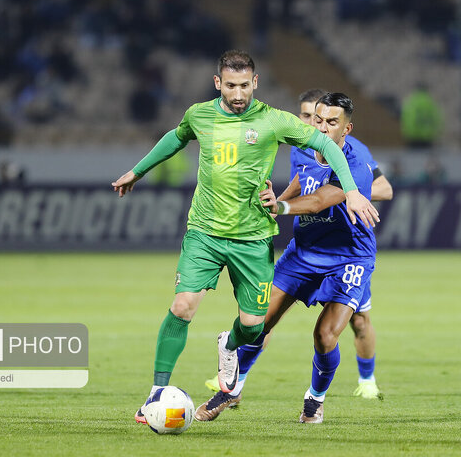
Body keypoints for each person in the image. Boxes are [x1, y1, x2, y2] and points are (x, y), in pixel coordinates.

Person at [111, 50, 380, 424]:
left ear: (255, 83)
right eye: (230, 86)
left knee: (255, 328)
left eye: (244, 86)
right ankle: (156, 392)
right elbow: (175, 139)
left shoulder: (274, 121)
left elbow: (326, 152)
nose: (238, 94)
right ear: (218, 83)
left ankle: (233, 348)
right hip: (205, 231)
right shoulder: (199, 115)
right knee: (183, 306)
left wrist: (350, 190)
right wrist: (137, 171)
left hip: (255, 239)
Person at [195, 92, 378, 424]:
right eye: (318, 120)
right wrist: (277, 200)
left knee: (325, 336)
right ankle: (231, 390)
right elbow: (300, 182)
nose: (322, 129)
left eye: (332, 123)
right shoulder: (304, 148)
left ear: (346, 129)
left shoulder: (357, 166)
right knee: (257, 324)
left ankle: (315, 398)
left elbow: (321, 199)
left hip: (347, 257)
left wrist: (282, 208)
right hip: (303, 253)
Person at [400, 82, 442, 149]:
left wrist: (406, 132)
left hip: (413, 137)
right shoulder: (432, 103)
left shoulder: (411, 102)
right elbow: (437, 119)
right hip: (428, 137)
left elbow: (405, 119)